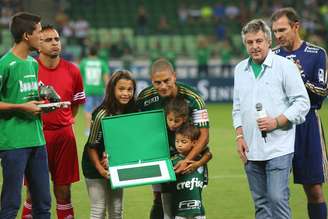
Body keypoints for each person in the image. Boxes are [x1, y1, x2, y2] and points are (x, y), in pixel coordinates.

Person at [232, 19, 310, 219]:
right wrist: (239, 136)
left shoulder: (285, 66)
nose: (254, 46)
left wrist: (277, 121)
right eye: (250, 42)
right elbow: (237, 108)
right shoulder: (240, 69)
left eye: (259, 41)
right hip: (250, 148)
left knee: (277, 199)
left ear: (268, 41)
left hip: (279, 147)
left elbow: (302, 102)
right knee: (261, 204)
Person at [21, 25, 85, 219]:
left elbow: (74, 105)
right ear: (38, 45)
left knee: (64, 191)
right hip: (36, 135)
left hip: (64, 137)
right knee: (33, 192)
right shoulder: (28, 69)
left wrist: (63, 120)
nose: (54, 43)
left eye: (56, 39)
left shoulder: (73, 70)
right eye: (48, 40)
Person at [271, 7, 328, 219]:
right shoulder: (272, 56)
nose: (278, 36)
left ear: (296, 27)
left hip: (307, 126)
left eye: (282, 30)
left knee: (313, 190)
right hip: (279, 125)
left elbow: (321, 93)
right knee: (275, 193)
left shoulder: (317, 54)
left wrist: (298, 78)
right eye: (275, 31)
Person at [137, 58, 209, 219]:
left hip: (187, 159)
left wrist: (186, 161)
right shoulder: (144, 98)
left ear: (174, 77)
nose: (162, 86)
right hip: (160, 157)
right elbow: (136, 127)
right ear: (152, 81)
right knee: (159, 201)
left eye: (166, 81)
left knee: (187, 202)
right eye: (157, 82)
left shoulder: (193, 98)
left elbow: (204, 136)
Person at [0, 12, 51, 218]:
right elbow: (20, 103)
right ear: (26, 36)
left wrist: (45, 104)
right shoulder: (5, 64)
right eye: (39, 32)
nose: (42, 36)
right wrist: (22, 108)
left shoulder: (32, 63)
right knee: (11, 204)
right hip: (13, 143)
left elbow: (29, 98)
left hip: (37, 140)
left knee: (43, 203)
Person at [81, 70, 137, 218]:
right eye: (121, 89)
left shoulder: (133, 112)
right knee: (98, 210)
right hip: (94, 166)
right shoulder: (102, 114)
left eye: (129, 89)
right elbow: (92, 147)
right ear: (112, 90)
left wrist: (118, 161)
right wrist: (101, 169)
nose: (126, 93)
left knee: (117, 210)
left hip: (115, 164)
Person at [161, 97, 211, 219]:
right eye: (170, 120)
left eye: (176, 121)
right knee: (166, 207)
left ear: (183, 119)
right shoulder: (162, 131)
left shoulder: (189, 132)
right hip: (169, 180)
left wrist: (197, 163)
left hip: (190, 184)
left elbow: (208, 153)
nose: (172, 124)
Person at [79, 45, 110, 136]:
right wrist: (108, 90)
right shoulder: (102, 63)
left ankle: (88, 130)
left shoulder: (84, 62)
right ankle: (99, 129)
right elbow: (106, 78)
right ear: (97, 53)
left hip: (87, 90)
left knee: (88, 110)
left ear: (89, 52)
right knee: (100, 111)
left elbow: (79, 77)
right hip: (99, 90)